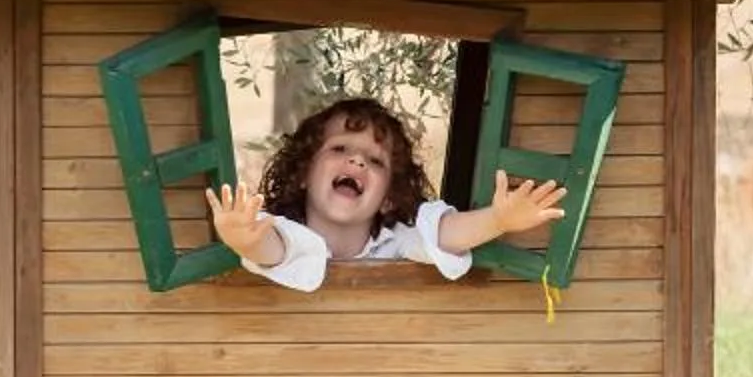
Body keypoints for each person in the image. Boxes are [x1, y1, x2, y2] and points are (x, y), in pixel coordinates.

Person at [204, 96, 566, 293]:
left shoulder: (397, 243)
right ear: (303, 174)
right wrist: (242, 239)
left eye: (376, 161)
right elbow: (273, 248)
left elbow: (443, 234)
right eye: (339, 148)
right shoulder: (282, 234)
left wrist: (498, 219)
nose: (357, 160)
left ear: (389, 196)